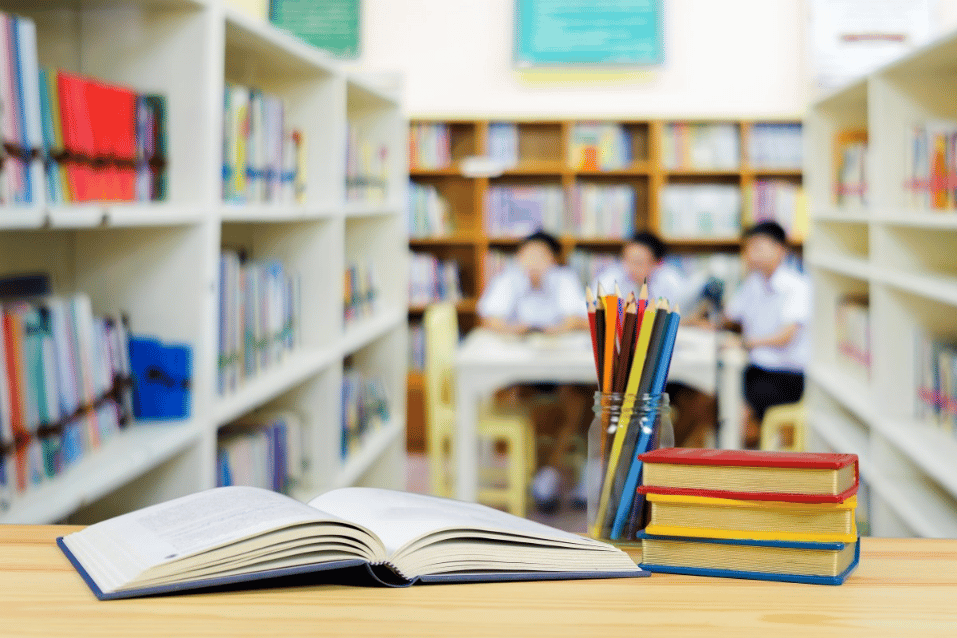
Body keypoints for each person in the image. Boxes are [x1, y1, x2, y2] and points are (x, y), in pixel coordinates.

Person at [477, 230, 590, 513]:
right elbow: (489, 319)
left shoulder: (564, 279)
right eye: (528, 255)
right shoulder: (508, 279)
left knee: (579, 398)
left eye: (542, 256)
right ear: (518, 257)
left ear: (554, 260)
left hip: (562, 367)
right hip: (520, 372)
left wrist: (558, 329)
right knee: (523, 401)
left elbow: (579, 318)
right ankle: (540, 472)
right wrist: (515, 328)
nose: (534, 262)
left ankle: (548, 473)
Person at [725, 221, 810, 448]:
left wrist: (745, 343)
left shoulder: (797, 286)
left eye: (758, 248)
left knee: (734, 409)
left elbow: (785, 337)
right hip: (756, 369)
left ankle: (742, 461)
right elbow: (730, 315)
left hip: (786, 376)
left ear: (780, 250)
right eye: (748, 248)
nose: (751, 255)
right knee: (717, 395)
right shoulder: (753, 282)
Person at [594, 231, 686, 305]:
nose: (630, 268)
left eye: (638, 262)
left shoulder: (669, 279)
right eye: (626, 260)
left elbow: (683, 312)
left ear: (657, 263)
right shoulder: (612, 277)